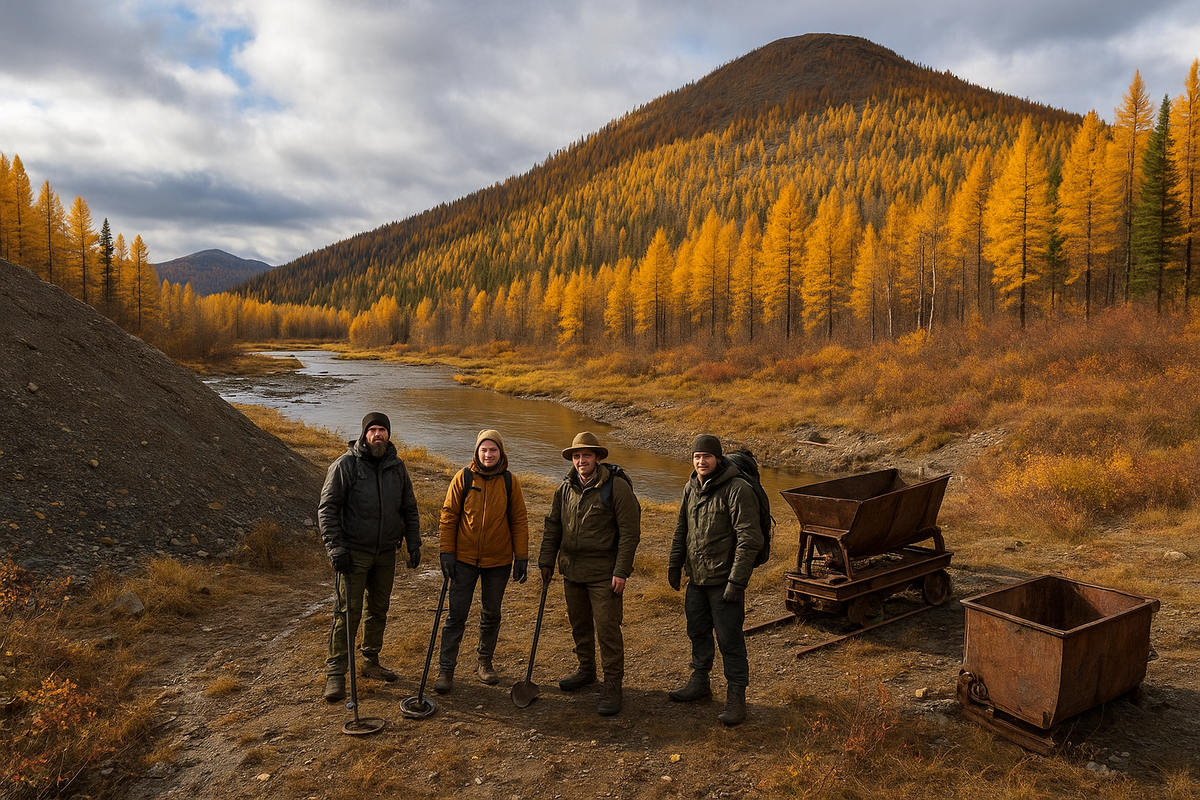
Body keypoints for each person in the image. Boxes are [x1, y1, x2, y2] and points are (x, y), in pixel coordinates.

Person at [319, 411, 422, 703]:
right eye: (373, 430)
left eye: (382, 430)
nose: (378, 435)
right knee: (345, 613)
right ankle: (336, 673)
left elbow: (409, 508)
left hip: (385, 553)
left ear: (389, 434)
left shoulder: (397, 467)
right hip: (353, 553)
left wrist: (413, 542)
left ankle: (370, 661)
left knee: (378, 610)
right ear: (364, 434)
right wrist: (335, 547)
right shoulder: (345, 465)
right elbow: (327, 509)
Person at [538, 431, 640, 716]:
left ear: (597, 458)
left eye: (586, 455)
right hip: (572, 571)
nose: (581, 460)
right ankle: (586, 670)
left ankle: (613, 685)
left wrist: (621, 571)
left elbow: (630, 534)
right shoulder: (565, 488)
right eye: (576, 456)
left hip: (604, 574)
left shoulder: (616, 487)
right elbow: (553, 525)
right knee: (579, 625)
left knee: (607, 630)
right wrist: (546, 560)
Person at [667, 434, 762, 726]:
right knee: (697, 631)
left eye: (707, 457)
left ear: (718, 459)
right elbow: (682, 527)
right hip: (697, 579)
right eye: (696, 457)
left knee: (730, 640)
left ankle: (736, 697)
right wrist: (674, 564)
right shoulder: (690, 487)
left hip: (724, 582)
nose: (701, 461)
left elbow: (750, 539)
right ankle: (700, 682)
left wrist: (737, 582)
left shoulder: (737, 489)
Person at [434, 429, 530, 694]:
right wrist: (446, 552)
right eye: (484, 450)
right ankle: (446, 670)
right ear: (476, 452)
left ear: (501, 452)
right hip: (463, 559)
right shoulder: (463, 477)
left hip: (498, 561)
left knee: (491, 614)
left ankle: (484, 663)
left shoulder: (510, 482)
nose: (488, 454)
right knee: (456, 615)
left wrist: (521, 556)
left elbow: (519, 520)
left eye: (493, 450)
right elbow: (449, 515)